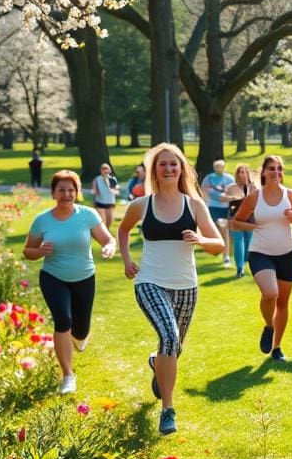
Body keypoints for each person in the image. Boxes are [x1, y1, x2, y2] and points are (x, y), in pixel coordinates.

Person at [117, 143, 224, 435]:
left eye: (173, 164)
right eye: (162, 164)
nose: (168, 168)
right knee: (168, 335)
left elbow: (219, 246)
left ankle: (157, 363)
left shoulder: (194, 205)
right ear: (155, 170)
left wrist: (200, 240)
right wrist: (127, 259)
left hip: (186, 286)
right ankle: (168, 410)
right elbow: (123, 228)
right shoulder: (142, 204)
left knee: (172, 348)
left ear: (181, 169)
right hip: (149, 280)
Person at [22, 170, 116, 394]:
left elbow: (107, 238)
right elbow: (28, 251)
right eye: (61, 190)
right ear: (53, 193)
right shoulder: (42, 220)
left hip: (84, 277)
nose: (66, 194)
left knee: (81, 330)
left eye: (71, 189)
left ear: (77, 192)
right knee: (63, 320)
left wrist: (109, 247)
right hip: (53, 277)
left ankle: (79, 337)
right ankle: (68, 376)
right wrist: (39, 251)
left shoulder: (88, 215)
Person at [231, 155, 292, 361]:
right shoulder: (255, 197)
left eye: (279, 169)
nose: (276, 173)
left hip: (288, 253)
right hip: (260, 252)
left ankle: (276, 347)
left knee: (283, 302)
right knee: (270, 293)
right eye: (271, 169)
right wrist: (253, 226)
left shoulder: (291, 195)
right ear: (264, 172)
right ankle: (269, 325)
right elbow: (236, 222)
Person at [226, 163, 258, 278]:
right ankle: (240, 269)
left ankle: (246, 261)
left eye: (243, 172)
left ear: (247, 174)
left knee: (249, 242)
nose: (241, 174)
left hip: (251, 219)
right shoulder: (231, 188)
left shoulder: (254, 188)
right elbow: (226, 204)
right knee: (238, 242)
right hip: (235, 219)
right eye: (239, 172)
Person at [201, 158, 235, 267]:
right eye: (216, 167)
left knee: (224, 231)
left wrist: (229, 198)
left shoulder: (229, 178)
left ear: (224, 168)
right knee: (217, 230)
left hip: (226, 208)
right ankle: (220, 250)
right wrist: (218, 197)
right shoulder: (209, 178)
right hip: (213, 207)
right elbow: (204, 190)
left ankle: (226, 256)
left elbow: (234, 191)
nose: (218, 169)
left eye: (220, 167)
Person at [91, 163, 119, 228]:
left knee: (109, 221)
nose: (105, 170)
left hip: (110, 203)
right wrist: (94, 200)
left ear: (110, 170)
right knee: (102, 221)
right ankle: (103, 235)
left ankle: (107, 233)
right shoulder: (97, 179)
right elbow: (95, 191)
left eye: (106, 168)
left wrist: (107, 181)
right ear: (101, 171)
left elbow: (116, 191)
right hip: (100, 203)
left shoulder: (113, 179)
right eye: (103, 169)